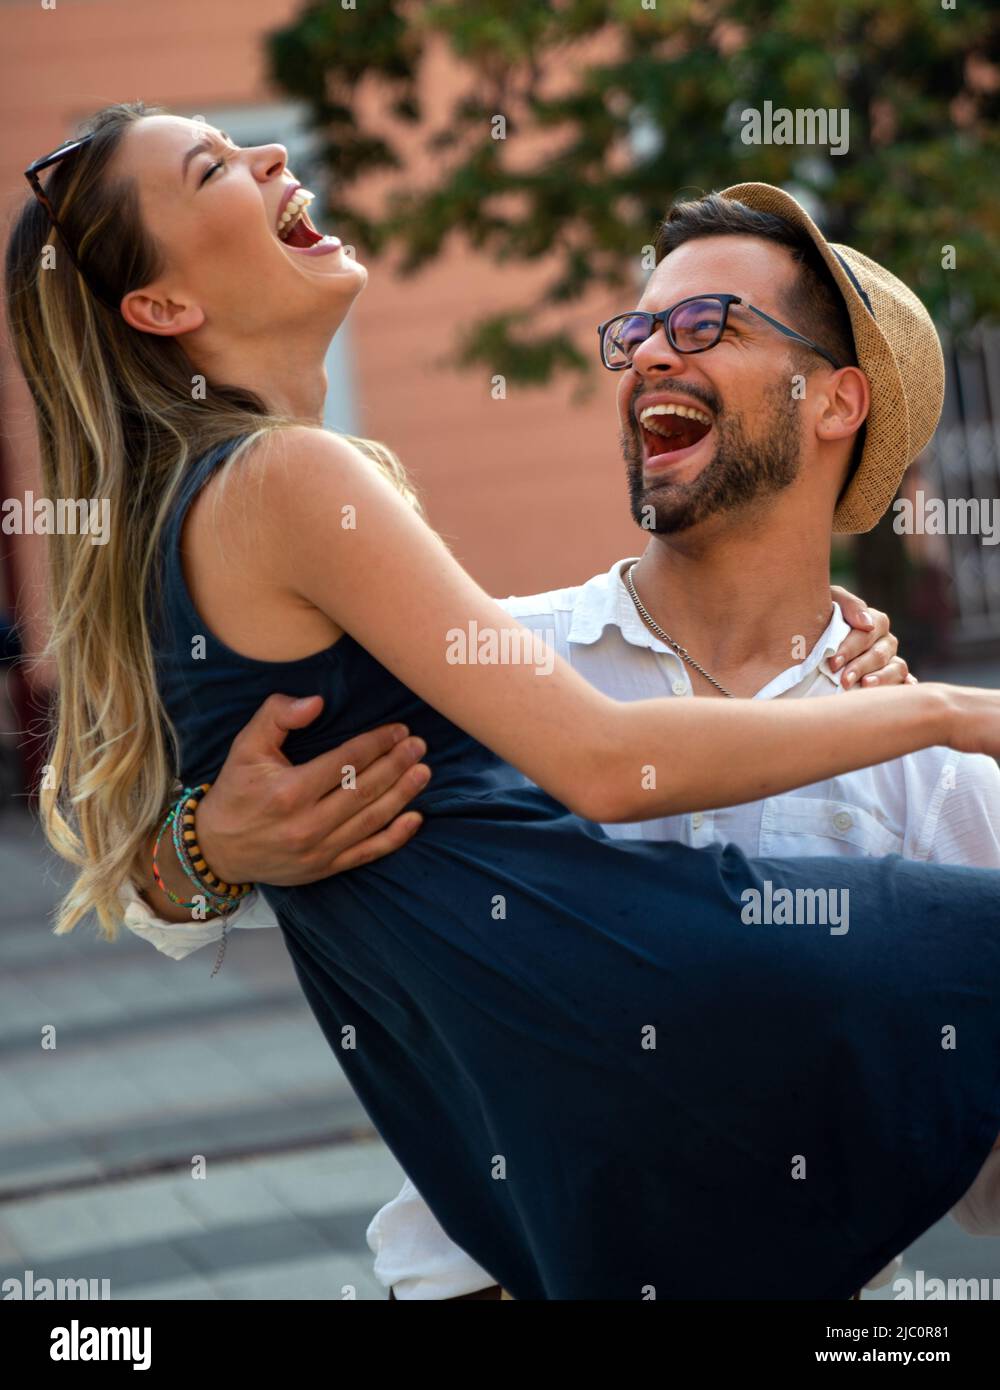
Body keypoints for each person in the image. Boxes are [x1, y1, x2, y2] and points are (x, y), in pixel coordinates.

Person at [8, 101, 1000, 1300]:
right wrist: (204, 845)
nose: (647, 351)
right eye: (636, 326)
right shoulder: (488, 644)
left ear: (834, 402)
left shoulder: (926, 777)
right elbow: (154, 884)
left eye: (704, 322)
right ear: (160, 307)